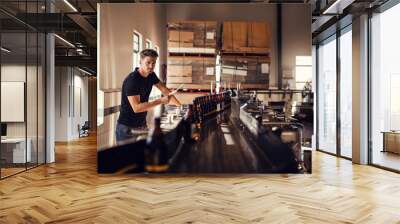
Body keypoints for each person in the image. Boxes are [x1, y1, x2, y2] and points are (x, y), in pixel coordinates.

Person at [116, 49, 181, 144]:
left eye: (153, 63)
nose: (151, 66)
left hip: (142, 124)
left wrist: (181, 107)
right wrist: (160, 101)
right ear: (140, 62)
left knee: (145, 155)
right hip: (127, 128)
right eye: (148, 63)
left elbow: (166, 91)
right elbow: (137, 108)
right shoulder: (132, 80)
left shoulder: (151, 75)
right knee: (125, 158)